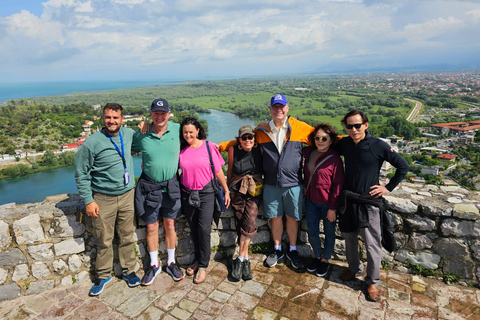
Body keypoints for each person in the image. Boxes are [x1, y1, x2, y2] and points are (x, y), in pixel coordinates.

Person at [219, 94, 314, 270]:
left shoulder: (299, 128)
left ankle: (292, 250)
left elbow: (322, 138)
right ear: (270, 109)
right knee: (276, 217)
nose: (279, 110)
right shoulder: (261, 131)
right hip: (271, 183)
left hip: (293, 183)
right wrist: (219, 146)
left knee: (292, 217)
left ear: (287, 108)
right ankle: (277, 248)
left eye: (282, 107)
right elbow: (244, 140)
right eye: (275, 107)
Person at [334, 110, 409, 302]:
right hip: (349, 200)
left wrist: (388, 188)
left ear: (366, 125)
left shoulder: (378, 145)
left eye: (358, 125)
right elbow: (325, 147)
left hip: (369, 201)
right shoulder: (345, 144)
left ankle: (373, 281)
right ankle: (354, 268)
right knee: (349, 237)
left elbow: (403, 166)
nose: (354, 129)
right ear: (346, 127)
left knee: (372, 244)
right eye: (349, 126)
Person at [74, 103, 140, 296]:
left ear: (122, 119)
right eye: (108, 117)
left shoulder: (128, 134)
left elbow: (140, 144)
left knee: (127, 235)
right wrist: (88, 200)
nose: (112, 121)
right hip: (103, 198)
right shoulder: (92, 143)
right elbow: (81, 173)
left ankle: (129, 271)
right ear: (103, 119)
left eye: (115, 118)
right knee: (104, 239)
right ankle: (103, 275)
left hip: (128, 194)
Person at [132, 98, 184, 285]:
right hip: (150, 187)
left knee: (170, 225)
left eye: (163, 113)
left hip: (171, 186)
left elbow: (197, 136)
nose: (159, 116)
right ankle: (154, 265)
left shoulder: (178, 130)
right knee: (151, 226)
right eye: (156, 113)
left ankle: (171, 262)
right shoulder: (142, 134)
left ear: (169, 114)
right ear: (151, 114)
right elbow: (127, 150)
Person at [179, 117, 231, 284]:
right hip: (187, 193)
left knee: (203, 229)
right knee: (193, 228)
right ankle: (197, 259)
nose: (188, 135)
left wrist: (226, 190)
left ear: (198, 131)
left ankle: (203, 265)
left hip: (206, 193)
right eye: (185, 132)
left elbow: (218, 171)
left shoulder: (208, 147)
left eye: (191, 132)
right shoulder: (181, 149)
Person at [303, 123, 344, 277]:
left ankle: (325, 260)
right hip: (311, 201)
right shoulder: (308, 152)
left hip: (327, 204)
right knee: (312, 231)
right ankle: (316, 256)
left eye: (324, 138)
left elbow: (338, 185)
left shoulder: (335, 160)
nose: (320, 141)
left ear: (331, 140)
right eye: (317, 138)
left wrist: (333, 208)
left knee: (329, 233)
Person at [227, 125, 263, 281]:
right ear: (239, 139)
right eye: (244, 137)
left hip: (254, 190)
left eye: (250, 137)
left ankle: (241, 259)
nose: (247, 140)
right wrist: (227, 190)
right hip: (236, 190)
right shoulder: (233, 150)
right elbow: (229, 171)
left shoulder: (259, 150)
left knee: (249, 221)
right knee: (240, 221)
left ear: (254, 139)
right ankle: (245, 259)